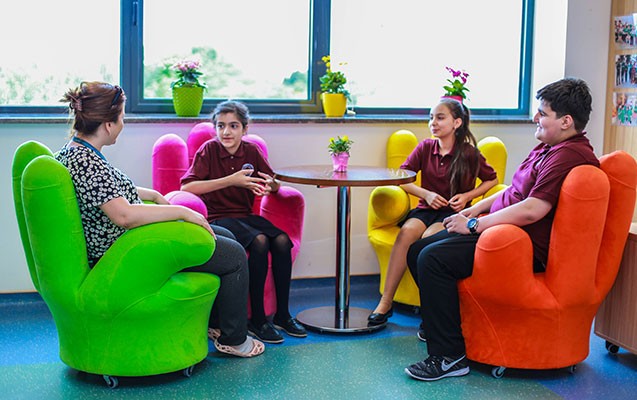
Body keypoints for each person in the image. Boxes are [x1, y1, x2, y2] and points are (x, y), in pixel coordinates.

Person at [403, 77, 600, 381]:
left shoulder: (569, 155)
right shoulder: (548, 147)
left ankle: (449, 356)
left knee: (432, 259)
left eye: (543, 113)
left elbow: (533, 209)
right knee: (417, 250)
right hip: (499, 228)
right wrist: (477, 207)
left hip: (516, 243)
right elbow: (515, 191)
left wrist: (473, 225)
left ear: (566, 121)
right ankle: (442, 325)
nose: (535, 118)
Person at [56, 82, 264, 358]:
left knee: (226, 237)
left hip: (130, 242)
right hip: (127, 250)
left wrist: (153, 194)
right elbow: (124, 215)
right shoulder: (86, 161)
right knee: (234, 255)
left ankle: (217, 325)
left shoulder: (77, 152)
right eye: (122, 117)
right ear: (108, 124)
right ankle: (235, 340)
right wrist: (182, 212)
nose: (122, 124)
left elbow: (105, 191)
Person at [180, 100, 307, 344]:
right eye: (221, 126)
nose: (226, 132)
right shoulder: (208, 150)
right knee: (259, 241)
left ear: (245, 129)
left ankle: (282, 315)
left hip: (245, 216)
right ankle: (257, 319)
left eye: (233, 126)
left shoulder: (251, 151)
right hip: (218, 217)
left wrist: (271, 186)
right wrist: (231, 180)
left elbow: (272, 182)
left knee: (281, 240)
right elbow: (187, 187)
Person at [367, 98, 498, 327]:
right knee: (406, 233)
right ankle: (386, 302)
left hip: (452, 216)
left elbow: (492, 180)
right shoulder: (425, 147)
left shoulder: (469, 153)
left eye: (440, 118)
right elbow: (402, 178)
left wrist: (467, 196)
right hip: (425, 210)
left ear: (457, 122)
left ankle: (430, 311)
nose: (433, 123)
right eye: (431, 118)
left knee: (429, 240)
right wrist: (426, 194)